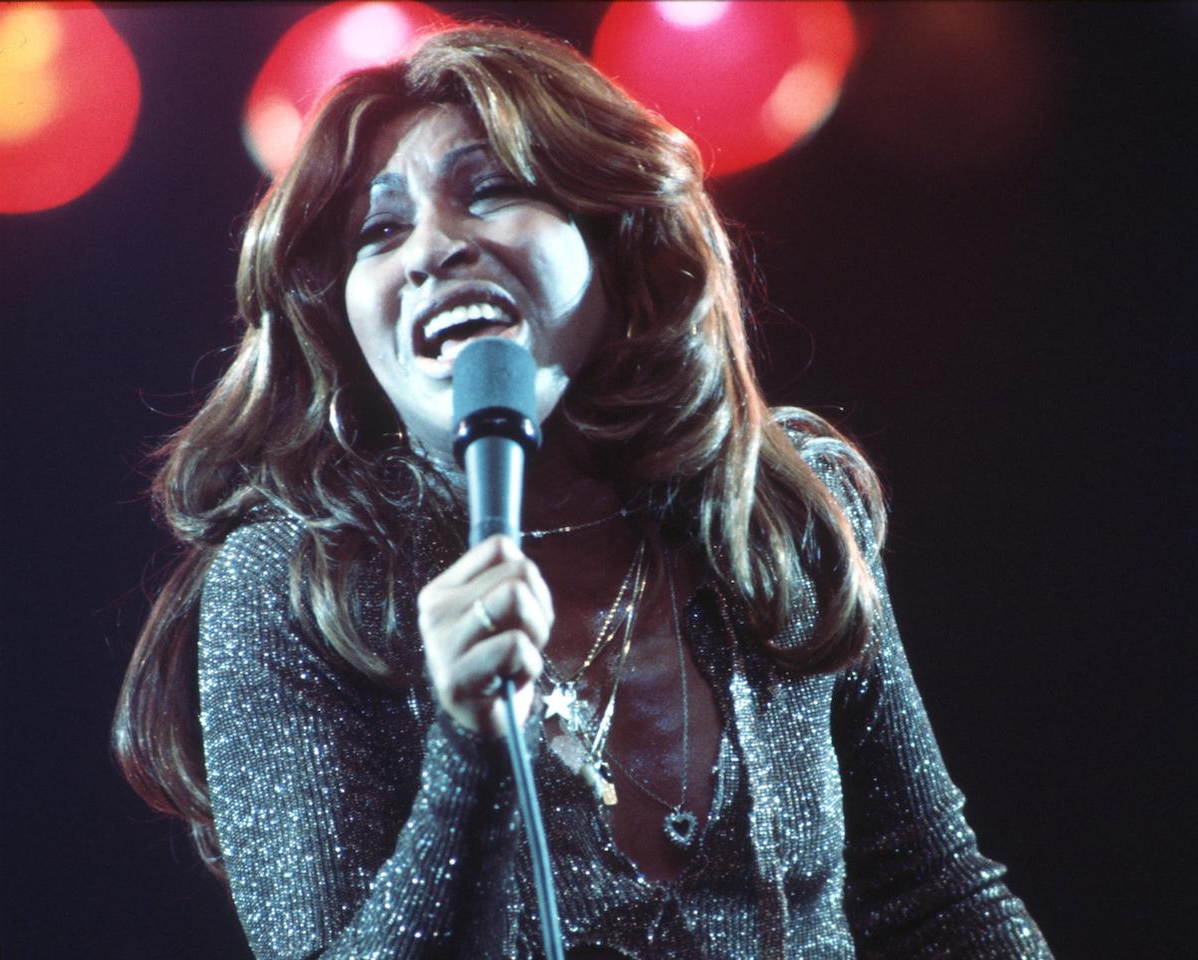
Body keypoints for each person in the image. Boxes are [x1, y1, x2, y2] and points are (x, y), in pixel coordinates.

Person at [113, 25, 1052, 960]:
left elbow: (933, 895)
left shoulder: (775, 510)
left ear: (616, 235)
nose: (433, 250)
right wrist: (468, 754)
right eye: (379, 232)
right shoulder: (294, 589)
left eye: (490, 190)